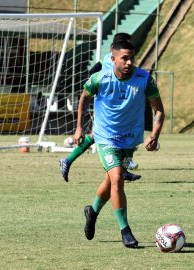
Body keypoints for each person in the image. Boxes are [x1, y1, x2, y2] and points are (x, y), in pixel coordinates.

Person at [76, 39, 164, 248]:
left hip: (129, 140)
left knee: (110, 181)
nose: (129, 62)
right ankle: (126, 231)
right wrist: (79, 127)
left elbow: (159, 110)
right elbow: (84, 97)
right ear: (113, 58)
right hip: (105, 137)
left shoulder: (144, 79)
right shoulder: (100, 78)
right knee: (117, 178)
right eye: (124, 58)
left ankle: (92, 211)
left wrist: (155, 134)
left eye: (132, 58)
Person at [59, 33, 141, 182]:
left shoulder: (107, 58)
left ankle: (122, 169)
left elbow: (92, 71)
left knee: (100, 135)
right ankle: (69, 160)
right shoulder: (114, 60)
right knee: (103, 134)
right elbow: (94, 75)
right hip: (108, 106)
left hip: (114, 104)